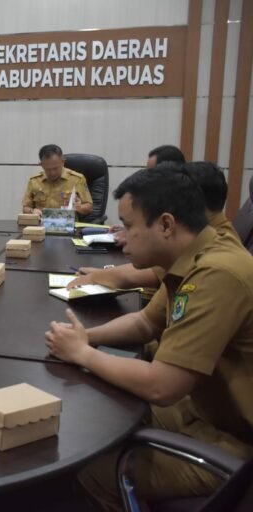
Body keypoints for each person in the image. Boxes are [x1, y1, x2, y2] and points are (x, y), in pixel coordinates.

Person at [45, 166, 253, 511]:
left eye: (128, 227)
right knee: (94, 421)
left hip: (233, 443)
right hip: (198, 410)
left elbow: (163, 386)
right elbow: (144, 324)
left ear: (166, 225)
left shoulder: (217, 274)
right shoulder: (195, 256)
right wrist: (86, 337)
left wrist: (83, 354)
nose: (121, 237)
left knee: (90, 469)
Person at [67, 161, 241, 291]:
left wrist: (98, 276)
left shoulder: (215, 264)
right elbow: (147, 321)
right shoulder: (197, 239)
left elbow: (142, 276)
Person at [22, 144, 93, 218]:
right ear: (41, 165)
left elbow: (89, 207)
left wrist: (79, 207)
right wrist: (32, 211)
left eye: (56, 168)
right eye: (48, 169)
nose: (52, 173)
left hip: (67, 225)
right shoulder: (34, 181)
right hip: (41, 225)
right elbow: (25, 208)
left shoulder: (77, 179)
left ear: (63, 162)